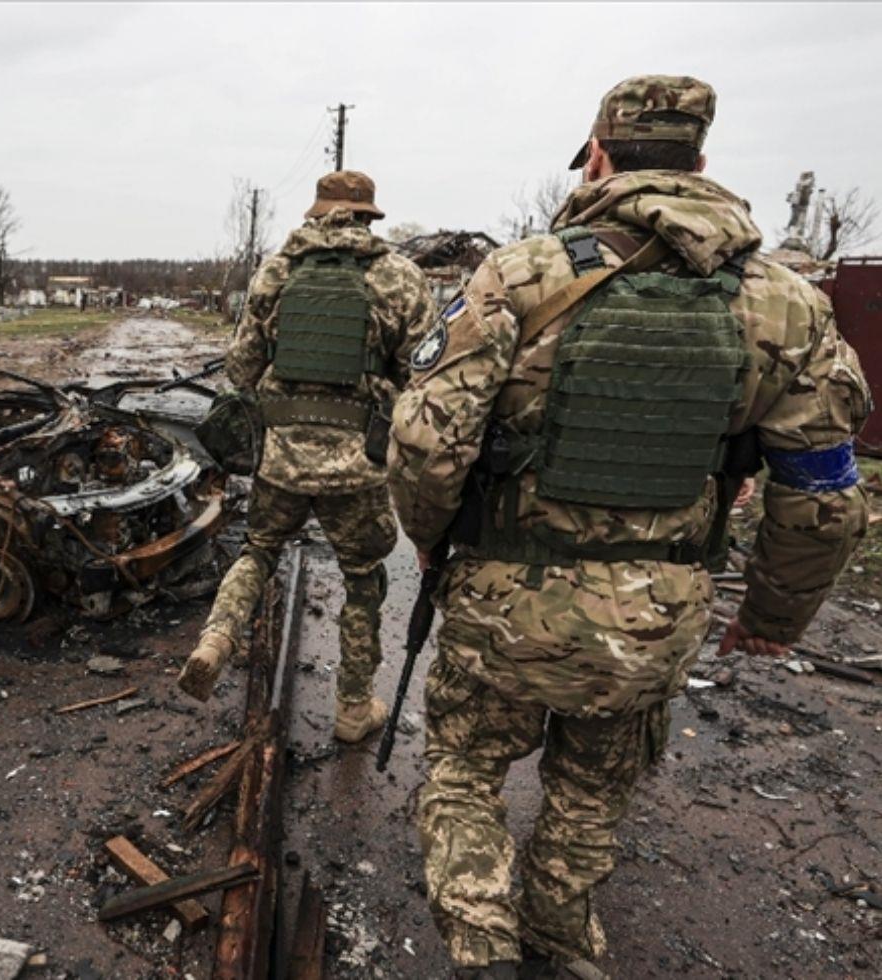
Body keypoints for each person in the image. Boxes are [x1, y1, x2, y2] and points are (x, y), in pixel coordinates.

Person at [389, 75, 871, 978]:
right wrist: (771, 618)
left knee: (463, 770)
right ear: (700, 161)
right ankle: (564, 932)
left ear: (600, 155)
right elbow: (823, 495)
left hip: (503, 605)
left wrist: (430, 534)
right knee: (592, 786)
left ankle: (480, 942)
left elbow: (426, 441)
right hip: (657, 613)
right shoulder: (784, 301)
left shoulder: (522, 273)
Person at [177, 170, 435, 743]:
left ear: (315, 214)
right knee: (364, 579)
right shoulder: (398, 277)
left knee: (259, 551)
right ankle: (351, 707)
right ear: (369, 217)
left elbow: (240, 369)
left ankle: (216, 638)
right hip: (358, 469)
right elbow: (424, 375)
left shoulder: (276, 271)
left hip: (280, 461)